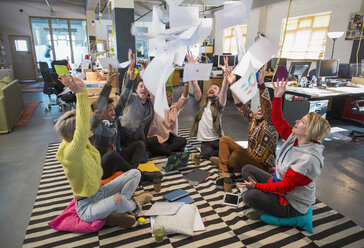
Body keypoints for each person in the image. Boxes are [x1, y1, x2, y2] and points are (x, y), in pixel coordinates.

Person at [54, 75, 152, 228]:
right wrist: (80, 93)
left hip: (100, 191)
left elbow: (118, 103)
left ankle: (119, 211)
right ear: (77, 133)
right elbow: (89, 119)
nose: (89, 125)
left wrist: (82, 89)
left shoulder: (78, 141)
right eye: (85, 125)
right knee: (118, 199)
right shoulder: (71, 153)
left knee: (135, 173)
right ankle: (133, 205)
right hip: (87, 205)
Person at [237, 78, 331, 220]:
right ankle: (263, 199)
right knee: (247, 169)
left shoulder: (307, 160)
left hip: (291, 203)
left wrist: (257, 187)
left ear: (310, 131)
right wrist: (278, 97)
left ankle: (269, 207)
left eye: (302, 122)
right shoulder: (296, 137)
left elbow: (283, 187)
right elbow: (278, 121)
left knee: (249, 196)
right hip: (278, 182)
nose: (297, 121)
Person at [213, 64, 279, 185]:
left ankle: (224, 164)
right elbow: (240, 106)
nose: (259, 110)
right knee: (224, 139)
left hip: (261, 166)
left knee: (236, 155)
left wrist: (261, 83)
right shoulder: (255, 118)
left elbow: (266, 105)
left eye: (262, 110)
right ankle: (224, 170)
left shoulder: (271, 123)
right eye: (259, 108)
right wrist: (232, 84)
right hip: (249, 155)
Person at [89, 64, 146, 175]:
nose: (113, 112)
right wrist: (108, 84)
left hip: (116, 159)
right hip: (101, 166)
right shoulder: (96, 124)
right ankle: (138, 175)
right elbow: (100, 107)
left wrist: (131, 81)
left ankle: (132, 172)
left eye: (112, 108)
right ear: (101, 113)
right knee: (111, 154)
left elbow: (123, 99)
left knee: (140, 144)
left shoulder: (113, 119)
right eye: (109, 109)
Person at [189, 53, 229, 159]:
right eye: (210, 87)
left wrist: (226, 75)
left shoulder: (219, 104)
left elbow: (224, 89)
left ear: (218, 94)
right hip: (205, 141)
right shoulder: (201, 101)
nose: (211, 89)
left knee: (227, 152)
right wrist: (192, 67)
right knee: (206, 155)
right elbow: (194, 84)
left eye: (215, 89)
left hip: (217, 139)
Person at [114, 49, 154, 155]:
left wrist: (146, 70)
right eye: (141, 86)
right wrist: (131, 65)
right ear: (136, 90)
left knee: (145, 157)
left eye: (146, 87)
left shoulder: (150, 106)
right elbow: (126, 86)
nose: (143, 89)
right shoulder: (131, 97)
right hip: (123, 134)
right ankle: (120, 151)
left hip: (136, 138)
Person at [146, 79, 189, 157]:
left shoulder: (175, 107)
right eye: (166, 95)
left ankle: (163, 152)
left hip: (170, 136)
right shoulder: (157, 106)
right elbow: (152, 92)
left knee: (183, 141)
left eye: (170, 95)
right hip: (158, 136)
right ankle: (170, 153)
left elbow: (184, 98)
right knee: (150, 141)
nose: (168, 97)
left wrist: (187, 84)